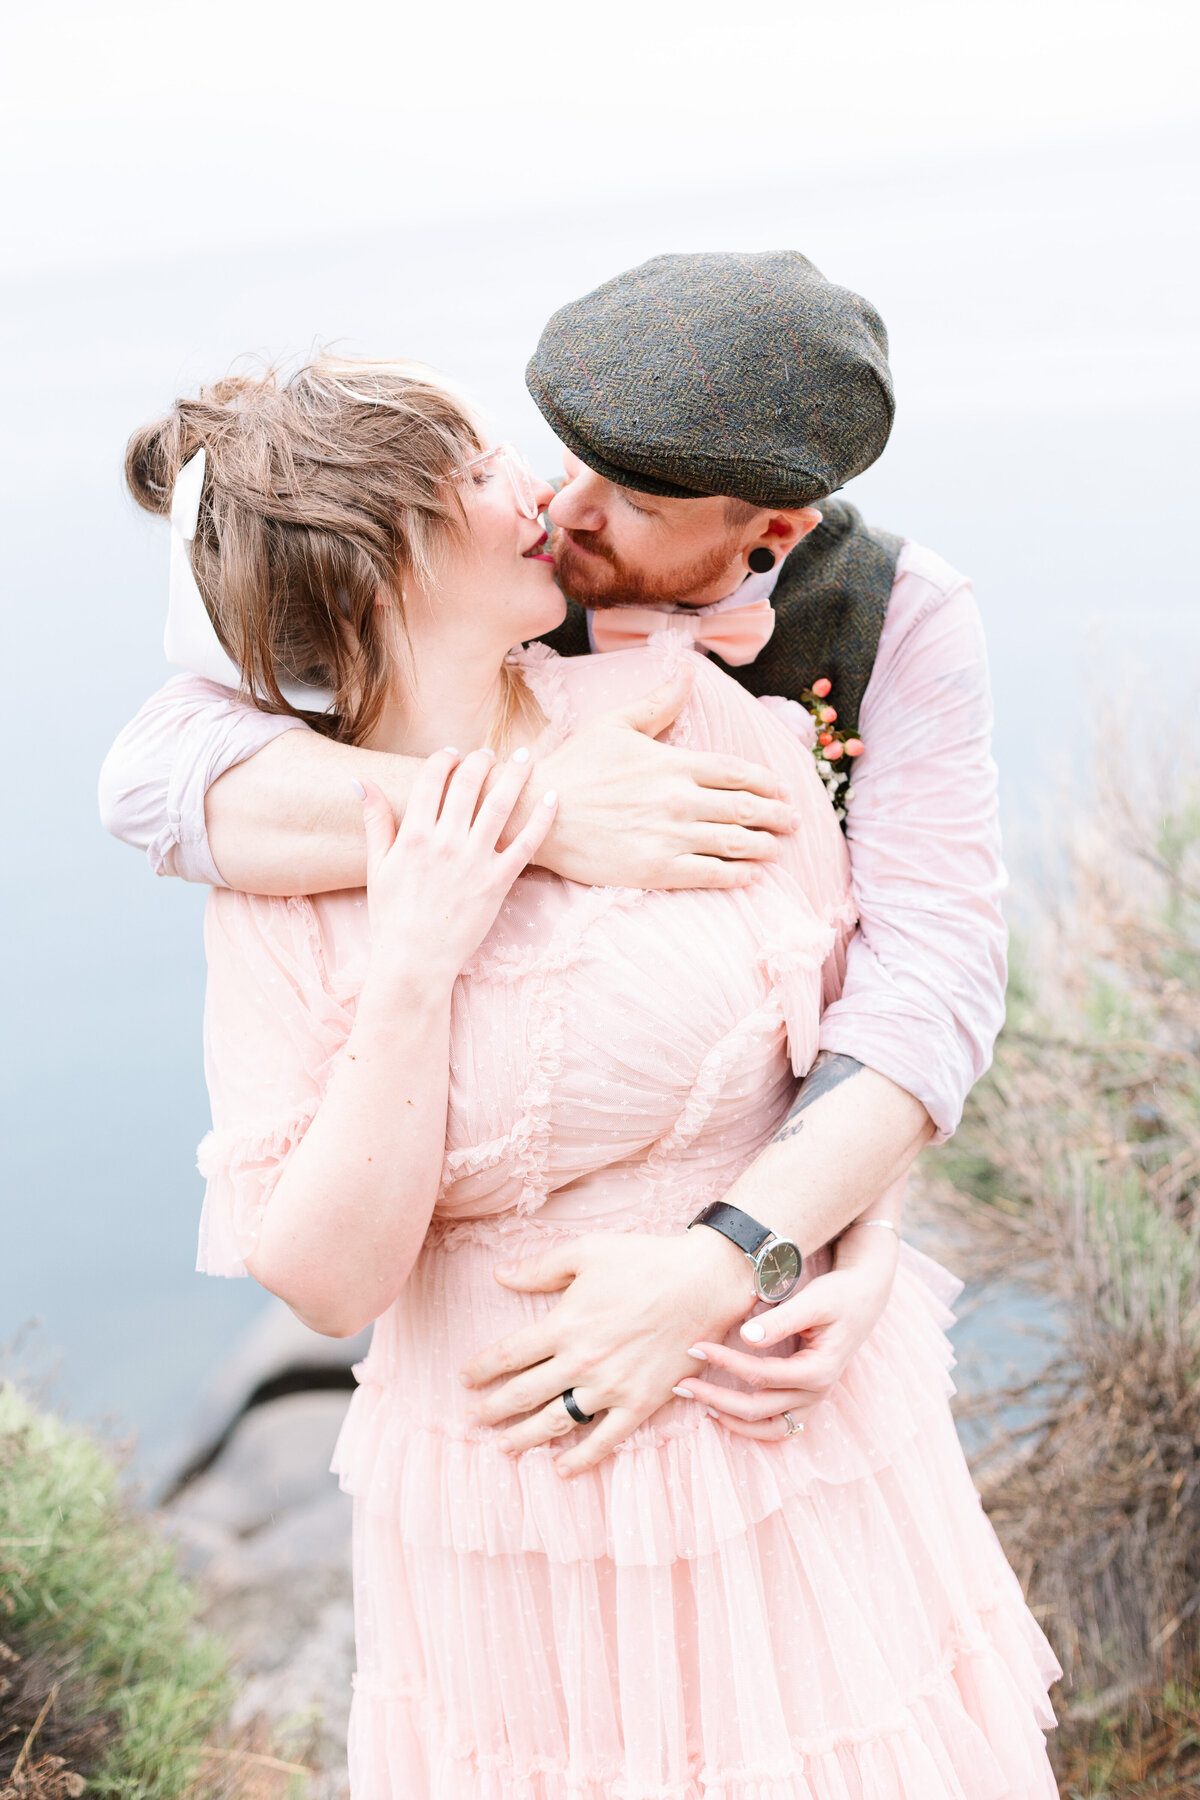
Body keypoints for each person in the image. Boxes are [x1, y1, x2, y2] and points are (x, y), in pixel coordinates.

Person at [121, 351, 1058, 1796]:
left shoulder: (696, 714)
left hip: (782, 1431)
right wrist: (420, 957)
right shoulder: (277, 864)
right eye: (484, 475)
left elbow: (869, 1012)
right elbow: (323, 1285)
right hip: (516, 1502)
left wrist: (838, 1240)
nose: (542, 499)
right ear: (383, 572)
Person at [100, 253, 1006, 1448]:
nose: (560, 506)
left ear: (774, 527)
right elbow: (148, 784)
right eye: (561, 451)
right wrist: (532, 810)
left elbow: (912, 981)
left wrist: (817, 1239)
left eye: (632, 501)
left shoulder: (896, 621)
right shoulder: (492, 575)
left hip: (748, 1314)